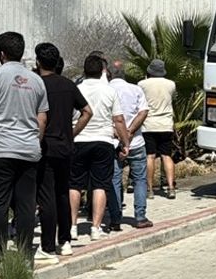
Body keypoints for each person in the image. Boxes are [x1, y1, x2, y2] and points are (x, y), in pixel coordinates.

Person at [0, 31, 49, 275]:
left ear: (1, 54)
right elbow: (42, 116)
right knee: (26, 206)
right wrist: (33, 141)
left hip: (2, 149)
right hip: (28, 151)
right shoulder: (36, 80)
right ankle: (26, 257)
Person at [34, 43, 91, 257]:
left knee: (46, 196)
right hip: (66, 146)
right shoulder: (68, 85)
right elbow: (87, 111)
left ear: (38, 62)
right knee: (62, 193)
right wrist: (72, 132)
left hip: (45, 146)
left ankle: (48, 245)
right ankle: (65, 240)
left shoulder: (37, 85)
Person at [71, 54, 130, 243]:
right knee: (100, 185)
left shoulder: (76, 89)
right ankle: (95, 228)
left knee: (74, 185)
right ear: (103, 71)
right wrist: (125, 142)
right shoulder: (109, 91)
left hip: (79, 140)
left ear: (85, 70)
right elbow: (118, 120)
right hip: (103, 141)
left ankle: (71, 227)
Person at [108, 60, 151, 230]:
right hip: (137, 142)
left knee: (115, 180)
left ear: (108, 74)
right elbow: (144, 111)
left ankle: (115, 218)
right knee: (140, 179)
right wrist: (131, 131)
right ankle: (140, 217)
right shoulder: (136, 89)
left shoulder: (106, 90)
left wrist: (120, 134)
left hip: (113, 142)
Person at [138, 59, 179, 199]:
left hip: (148, 124)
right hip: (166, 124)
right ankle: (171, 187)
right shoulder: (171, 84)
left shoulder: (142, 84)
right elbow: (173, 98)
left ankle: (149, 189)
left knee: (150, 156)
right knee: (166, 156)